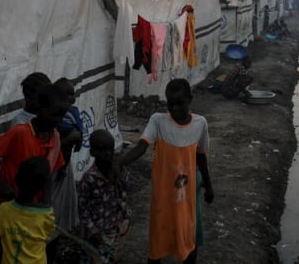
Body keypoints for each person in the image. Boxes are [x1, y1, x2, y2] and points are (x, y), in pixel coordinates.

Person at [117, 78, 214, 264]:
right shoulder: (158, 121)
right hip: (163, 195)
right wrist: (120, 162)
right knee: (159, 236)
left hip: (187, 194)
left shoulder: (200, 124)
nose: (175, 108)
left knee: (187, 234)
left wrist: (208, 186)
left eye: (180, 103)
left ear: (190, 99)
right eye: (170, 104)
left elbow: (201, 157)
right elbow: (142, 145)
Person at [0, 84, 68, 262]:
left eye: (62, 115)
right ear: (41, 109)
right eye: (55, 114)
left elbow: (48, 176)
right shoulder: (20, 133)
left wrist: (46, 205)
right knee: (10, 252)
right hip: (9, 208)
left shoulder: (54, 137)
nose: (59, 120)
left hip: (35, 214)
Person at [78, 129, 131, 263]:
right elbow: (83, 207)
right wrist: (91, 229)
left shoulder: (119, 169)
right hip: (98, 229)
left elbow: (130, 185)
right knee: (96, 258)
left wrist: (120, 173)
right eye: (102, 150)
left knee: (113, 256)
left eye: (110, 149)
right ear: (92, 152)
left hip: (119, 224)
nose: (108, 154)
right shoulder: (90, 178)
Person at [0, 156, 55, 264]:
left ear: (16, 179)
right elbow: (47, 236)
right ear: (43, 187)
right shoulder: (46, 216)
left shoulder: (4, 209)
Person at [51, 78, 83, 241]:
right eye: (68, 94)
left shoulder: (74, 111)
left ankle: (63, 168)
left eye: (73, 93)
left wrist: (79, 141)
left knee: (65, 157)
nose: (72, 97)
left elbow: (79, 127)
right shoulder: (52, 113)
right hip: (58, 144)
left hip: (66, 144)